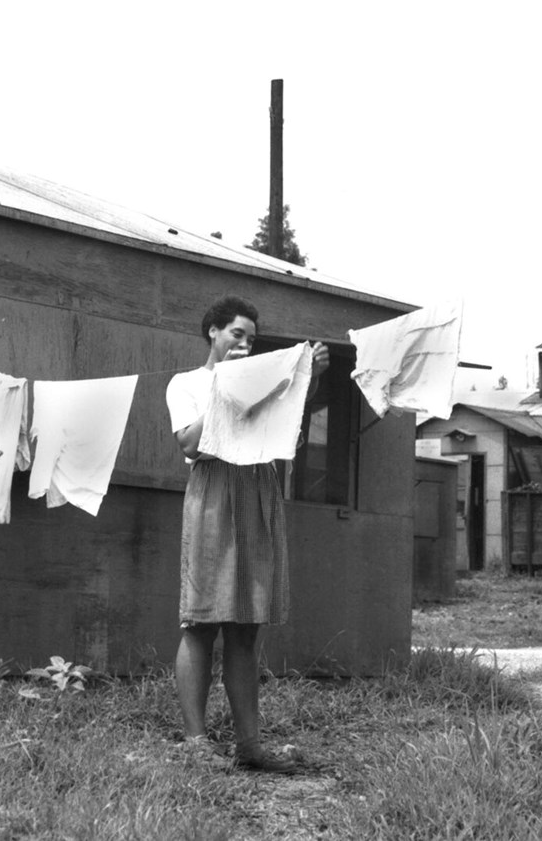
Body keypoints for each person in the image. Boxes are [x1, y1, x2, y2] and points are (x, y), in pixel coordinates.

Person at [164, 295, 329, 772]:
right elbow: (192, 444)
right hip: (214, 492)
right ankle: (196, 743)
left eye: (252, 339)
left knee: (246, 627)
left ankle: (250, 746)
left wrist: (305, 380)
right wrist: (227, 388)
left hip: (257, 490)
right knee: (200, 622)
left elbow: (285, 432)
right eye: (237, 334)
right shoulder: (187, 383)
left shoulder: (264, 384)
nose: (245, 343)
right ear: (212, 332)